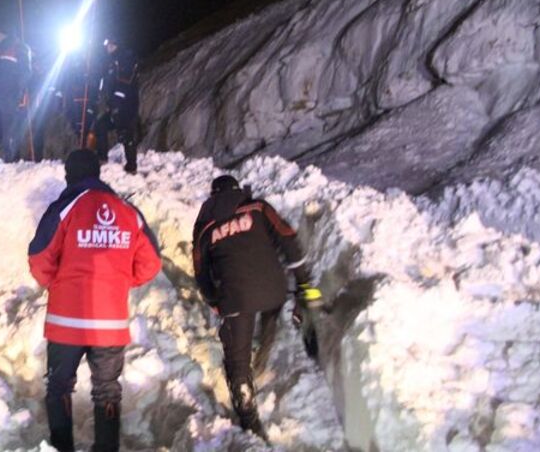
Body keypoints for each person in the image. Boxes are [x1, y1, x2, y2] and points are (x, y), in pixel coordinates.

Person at [28, 149, 162, 452]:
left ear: (69, 175)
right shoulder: (127, 210)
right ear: (97, 174)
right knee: (107, 391)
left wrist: (57, 283)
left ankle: (61, 448)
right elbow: (151, 262)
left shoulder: (65, 207)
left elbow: (38, 257)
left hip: (66, 323)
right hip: (110, 324)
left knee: (59, 386)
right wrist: (121, 281)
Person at [192, 175, 322, 439]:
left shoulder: (205, 226)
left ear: (212, 196)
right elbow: (289, 240)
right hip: (273, 288)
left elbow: (201, 272)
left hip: (235, 298)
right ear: (238, 190)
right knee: (271, 310)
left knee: (236, 359)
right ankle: (263, 352)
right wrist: (303, 282)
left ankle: (249, 417)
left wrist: (214, 301)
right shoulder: (259, 208)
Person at [91, 36, 140, 173]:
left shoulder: (125, 57)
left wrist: (118, 100)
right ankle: (102, 157)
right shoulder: (111, 62)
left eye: (111, 45)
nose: (108, 48)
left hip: (126, 104)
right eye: (106, 46)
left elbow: (127, 80)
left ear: (117, 44)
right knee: (100, 126)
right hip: (114, 105)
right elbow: (107, 83)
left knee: (126, 132)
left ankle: (131, 165)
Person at [0, 23, 31, 162]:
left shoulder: (20, 47)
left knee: (9, 128)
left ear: (4, 32)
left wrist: (16, 89)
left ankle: (9, 159)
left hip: (10, 96)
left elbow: (26, 72)